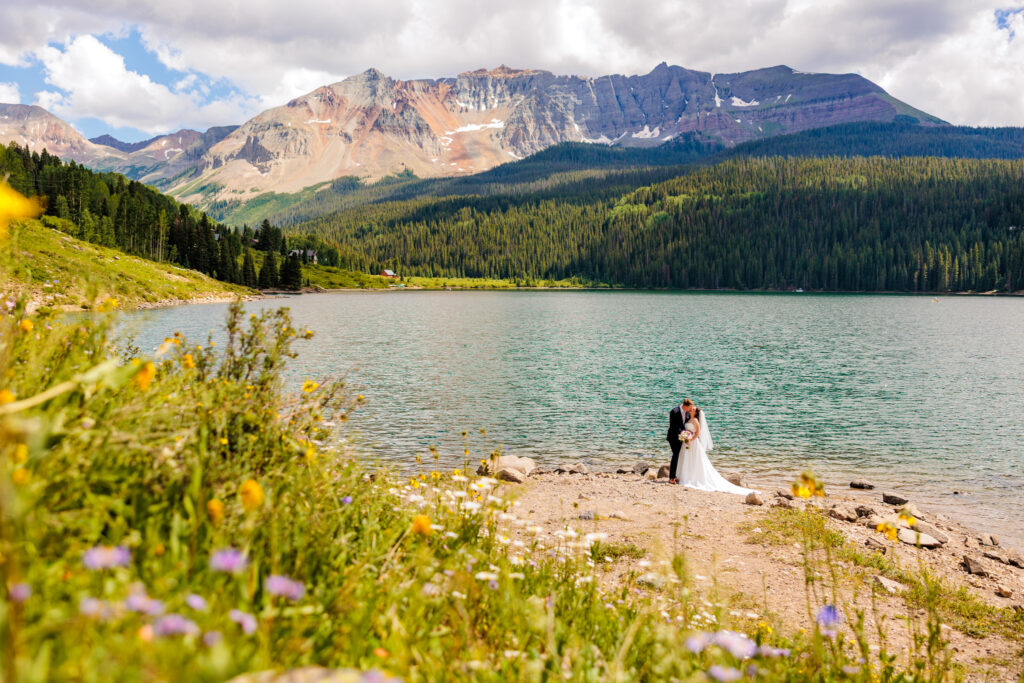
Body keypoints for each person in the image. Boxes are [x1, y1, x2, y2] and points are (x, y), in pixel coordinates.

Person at [666, 399, 696, 485]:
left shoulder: (687, 413)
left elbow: (685, 425)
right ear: (685, 405)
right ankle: (671, 478)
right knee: (675, 454)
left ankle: (675, 475)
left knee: (679, 455)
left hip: (681, 438)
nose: (691, 409)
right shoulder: (674, 411)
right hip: (673, 437)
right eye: (690, 407)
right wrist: (683, 433)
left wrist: (688, 433)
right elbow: (673, 426)